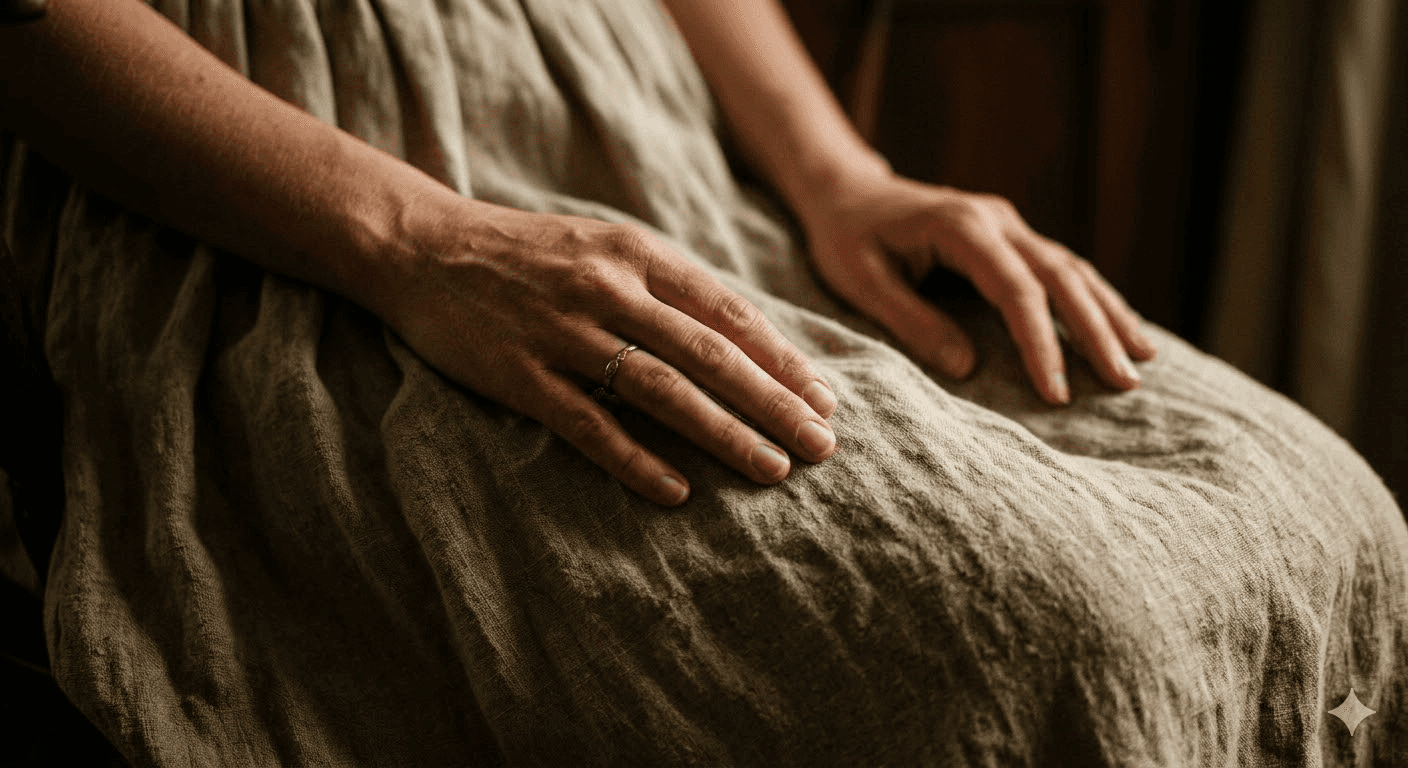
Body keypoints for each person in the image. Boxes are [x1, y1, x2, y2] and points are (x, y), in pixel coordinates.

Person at [0, 0, 1152, 507]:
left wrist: (837, 175)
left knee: (1310, 508)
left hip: (659, 145)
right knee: (1043, 625)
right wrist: (421, 244)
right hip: (275, 175)